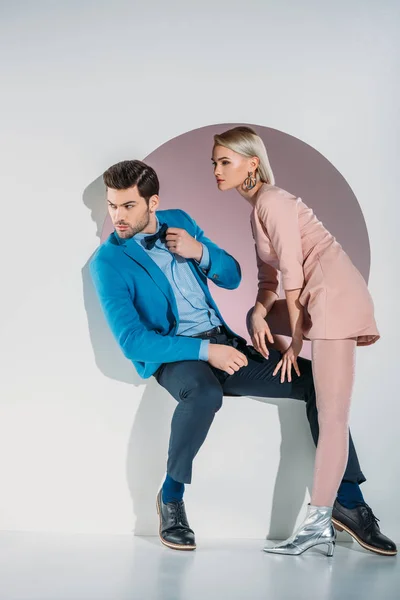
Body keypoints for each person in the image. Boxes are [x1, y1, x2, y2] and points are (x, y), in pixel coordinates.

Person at [90, 159, 396, 556]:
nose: (117, 216)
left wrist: (199, 250)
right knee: (203, 394)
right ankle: (170, 498)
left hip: (223, 341)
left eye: (127, 205)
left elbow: (232, 276)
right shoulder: (108, 261)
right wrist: (206, 351)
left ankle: (349, 503)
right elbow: (133, 342)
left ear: (153, 202)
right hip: (177, 355)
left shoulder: (179, 220)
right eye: (112, 205)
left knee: (316, 382)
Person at [211, 126, 396, 557]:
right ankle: (330, 519)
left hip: (332, 295)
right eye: (214, 163)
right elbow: (270, 279)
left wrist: (294, 342)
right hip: (314, 297)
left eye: (225, 162)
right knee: (254, 315)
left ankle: (321, 521)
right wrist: (258, 310)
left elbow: (292, 273)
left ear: (251, 163)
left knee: (332, 415)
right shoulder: (257, 209)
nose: (216, 170)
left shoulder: (273, 201)